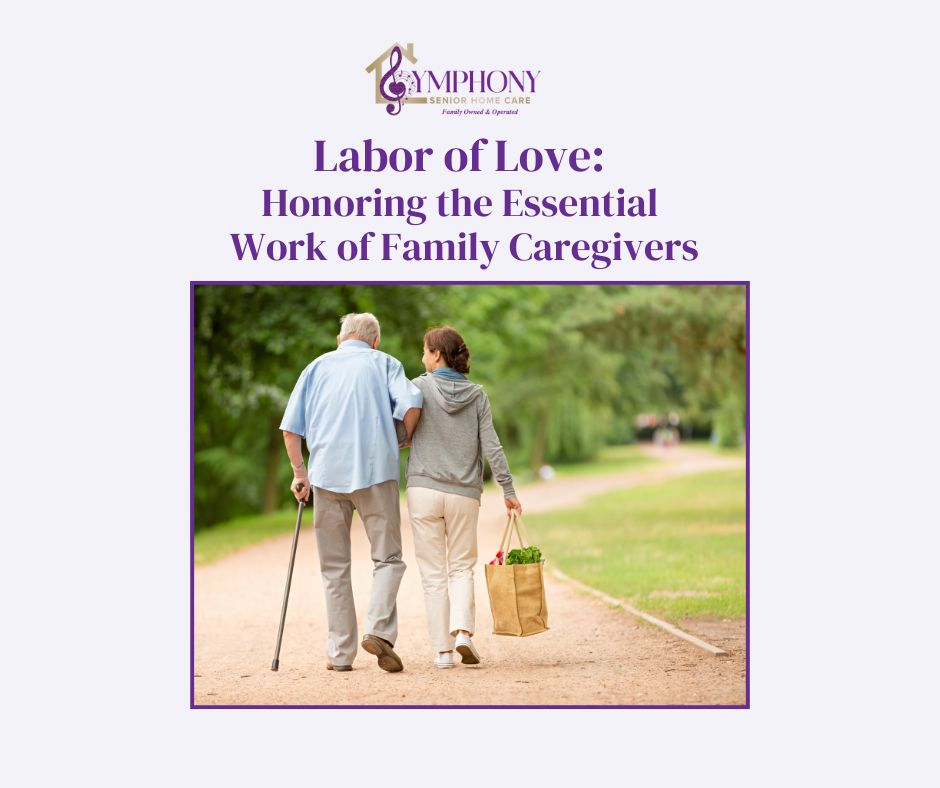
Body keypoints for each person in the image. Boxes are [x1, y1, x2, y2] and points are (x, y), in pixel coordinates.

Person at [279, 313, 422, 673]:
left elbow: (290, 430)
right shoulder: (385, 363)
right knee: (388, 559)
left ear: (340, 338)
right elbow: (412, 404)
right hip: (376, 474)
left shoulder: (315, 367)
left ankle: (340, 655)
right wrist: (402, 438)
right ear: (374, 341)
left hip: (326, 476)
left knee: (334, 568)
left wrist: (300, 473)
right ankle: (377, 630)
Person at [401, 326, 522, 669]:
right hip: (464, 495)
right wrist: (508, 490)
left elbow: (400, 431)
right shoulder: (478, 396)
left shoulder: (418, 387)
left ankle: (442, 652)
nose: (422, 358)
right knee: (461, 568)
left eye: (425, 352)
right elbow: (492, 447)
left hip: (423, 490)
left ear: (437, 355)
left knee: (433, 574)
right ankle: (464, 634)